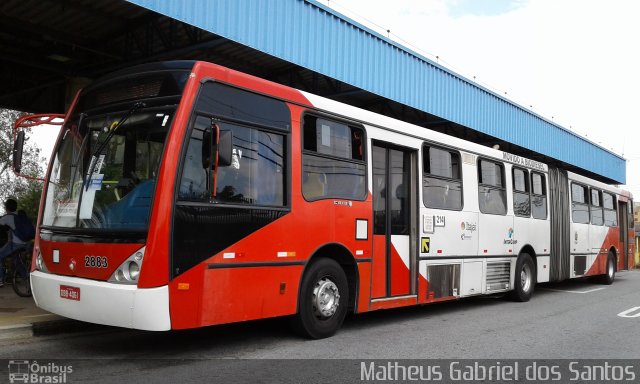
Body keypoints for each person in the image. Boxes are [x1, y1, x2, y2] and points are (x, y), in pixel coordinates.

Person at [0, 199, 27, 287]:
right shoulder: (19, 216)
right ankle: (27, 278)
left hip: (15, 244)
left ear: (6, 207)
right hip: (25, 243)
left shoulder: (7, 217)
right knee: (18, 260)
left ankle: (0, 279)